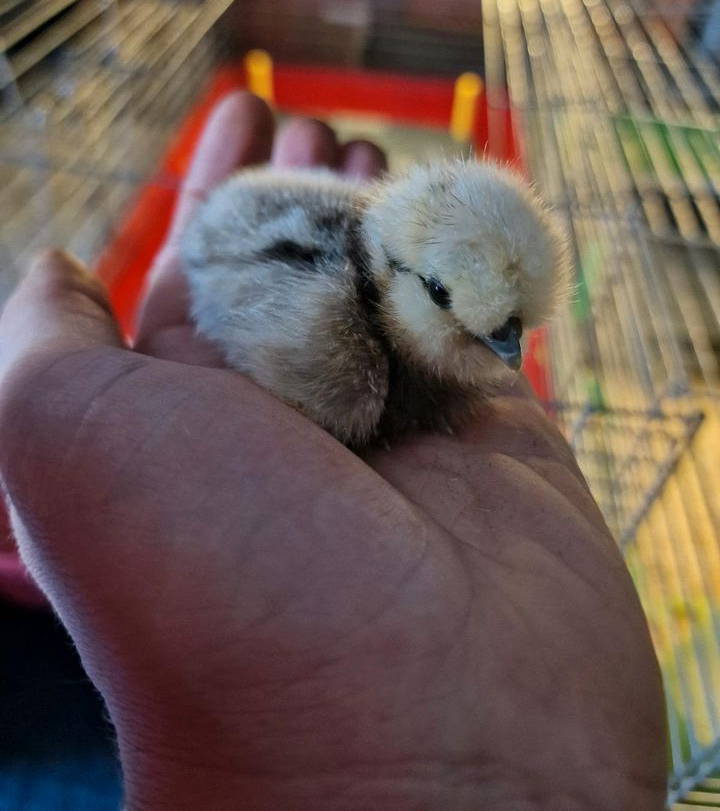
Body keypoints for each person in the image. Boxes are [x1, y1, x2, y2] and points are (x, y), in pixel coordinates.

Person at [0, 92, 667, 811]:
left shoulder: (443, 323)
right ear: (400, 271)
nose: (507, 351)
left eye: (517, 329)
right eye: (448, 298)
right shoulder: (339, 357)